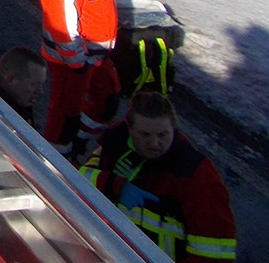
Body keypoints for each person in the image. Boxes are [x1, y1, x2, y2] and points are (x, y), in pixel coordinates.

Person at [80, 91, 237, 262]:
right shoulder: (114, 146)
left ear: (174, 129)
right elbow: (79, 179)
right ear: (130, 129)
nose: (154, 143)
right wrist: (113, 185)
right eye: (145, 135)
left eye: (163, 135)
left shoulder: (194, 173)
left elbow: (213, 250)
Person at [40, 0, 121, 158]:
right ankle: (58, 162)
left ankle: (79, 140)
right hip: (73, 61)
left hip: (92, 56)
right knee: (64, 115)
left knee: (108, 96)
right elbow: (63, 26)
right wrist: (78, 64)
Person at [0, 45, 47, 122]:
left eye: (41, 84)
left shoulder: (18, 101)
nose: (40, 91)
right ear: (11, 80)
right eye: (33, 84)